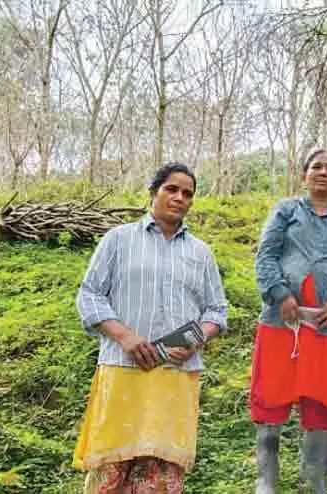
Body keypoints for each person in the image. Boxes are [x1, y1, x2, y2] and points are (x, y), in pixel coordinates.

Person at [73, 162, 228, 493]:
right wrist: (125, 336)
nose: (179, 198)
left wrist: (195, 340)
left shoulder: (200, 253)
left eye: (187, 193)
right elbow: (89, 295)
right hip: (123, 370)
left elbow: (217, 310)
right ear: (153, 192)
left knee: (162, 475)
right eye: (171, 189)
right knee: (109, 471)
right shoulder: (118, 240)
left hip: (176, 374)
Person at [250, 149, 327, 494]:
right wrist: (281, 294)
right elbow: (266, 255)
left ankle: (315, 476)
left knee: (322, 397)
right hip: (281, 323)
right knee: (271, 393)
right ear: (304, 175)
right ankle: (266, 477)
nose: (323, 172)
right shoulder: (286, 211)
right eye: (316, 166)